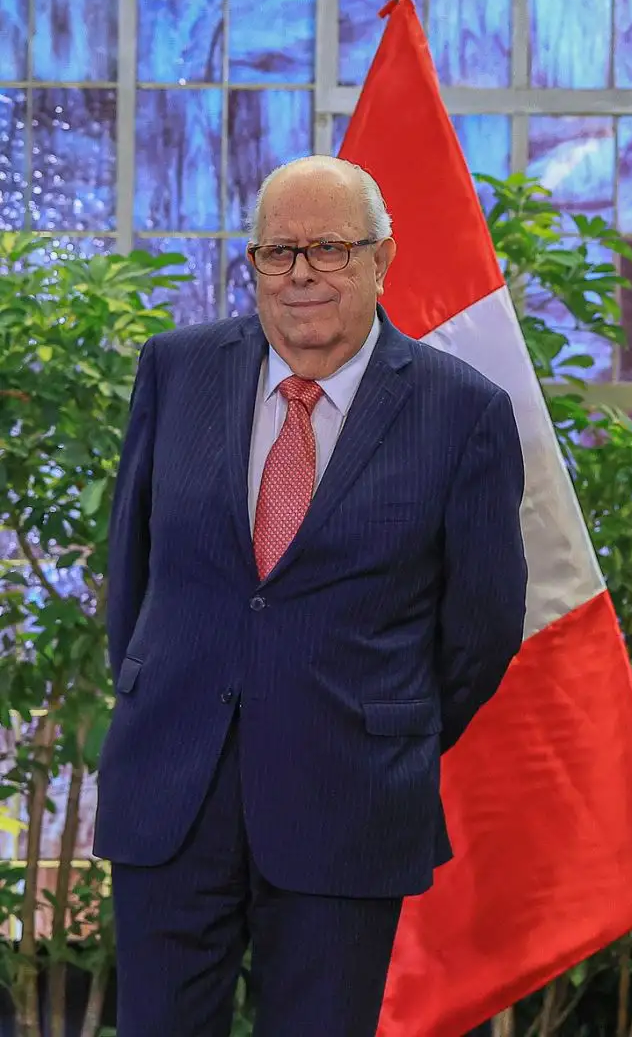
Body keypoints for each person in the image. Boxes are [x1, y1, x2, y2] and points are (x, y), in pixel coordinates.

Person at [96, 155, 528, 1035]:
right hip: (171, 784)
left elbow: (482, 628)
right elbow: (132, 571)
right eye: (277, 251)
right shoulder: (173, 370)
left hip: (348, 796)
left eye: (328, 249)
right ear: (251, 262)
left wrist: (382, 721)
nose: (300, 275)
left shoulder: (462, 411)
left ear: (381, 260)